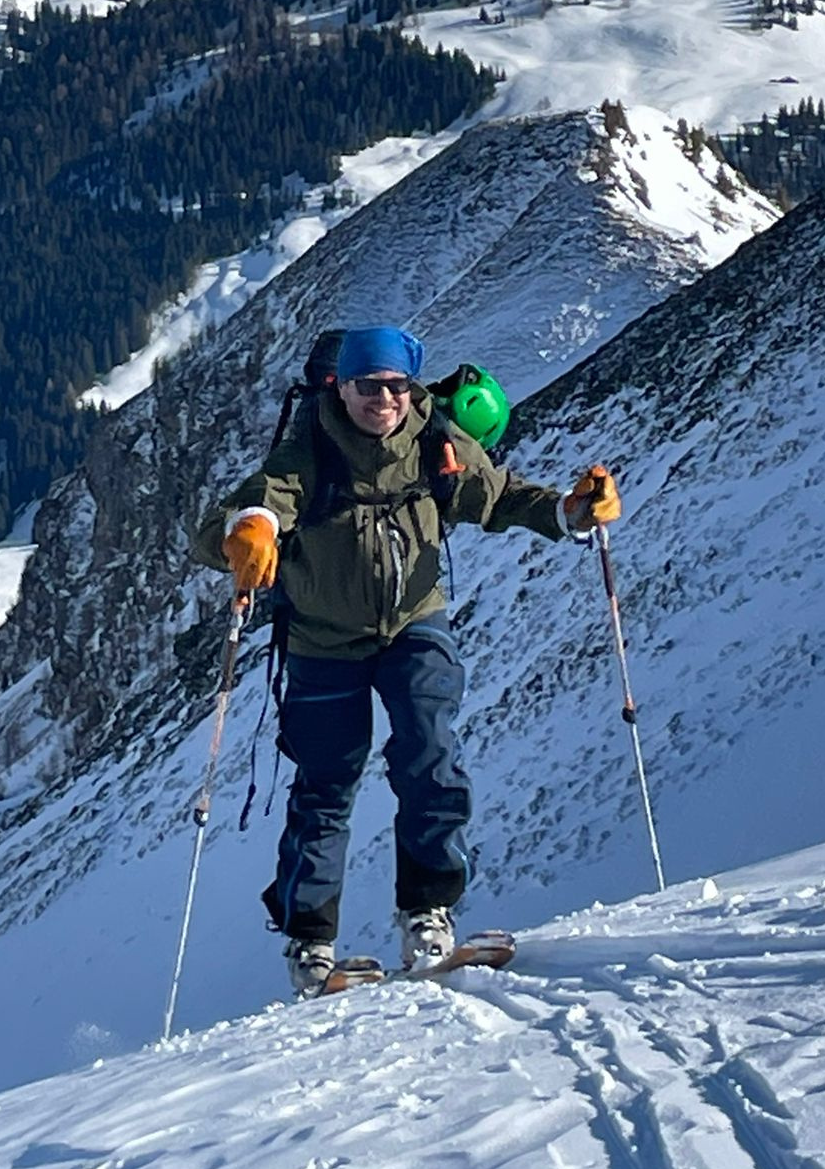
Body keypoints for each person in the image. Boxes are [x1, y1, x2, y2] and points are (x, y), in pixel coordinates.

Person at [193, 323, 620, 997]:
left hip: (414, 623)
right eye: (370, 385)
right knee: (327, 787)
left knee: (429, 756)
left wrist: (569, 512)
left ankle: (428, 912)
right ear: (343, 386)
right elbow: (256, 506)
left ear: (411, 386)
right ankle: (311, 942)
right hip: (323, 640)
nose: (384, 398)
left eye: (396, 385)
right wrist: (247, 529)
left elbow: (498, 495)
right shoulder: (309, 450)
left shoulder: (435, 442)